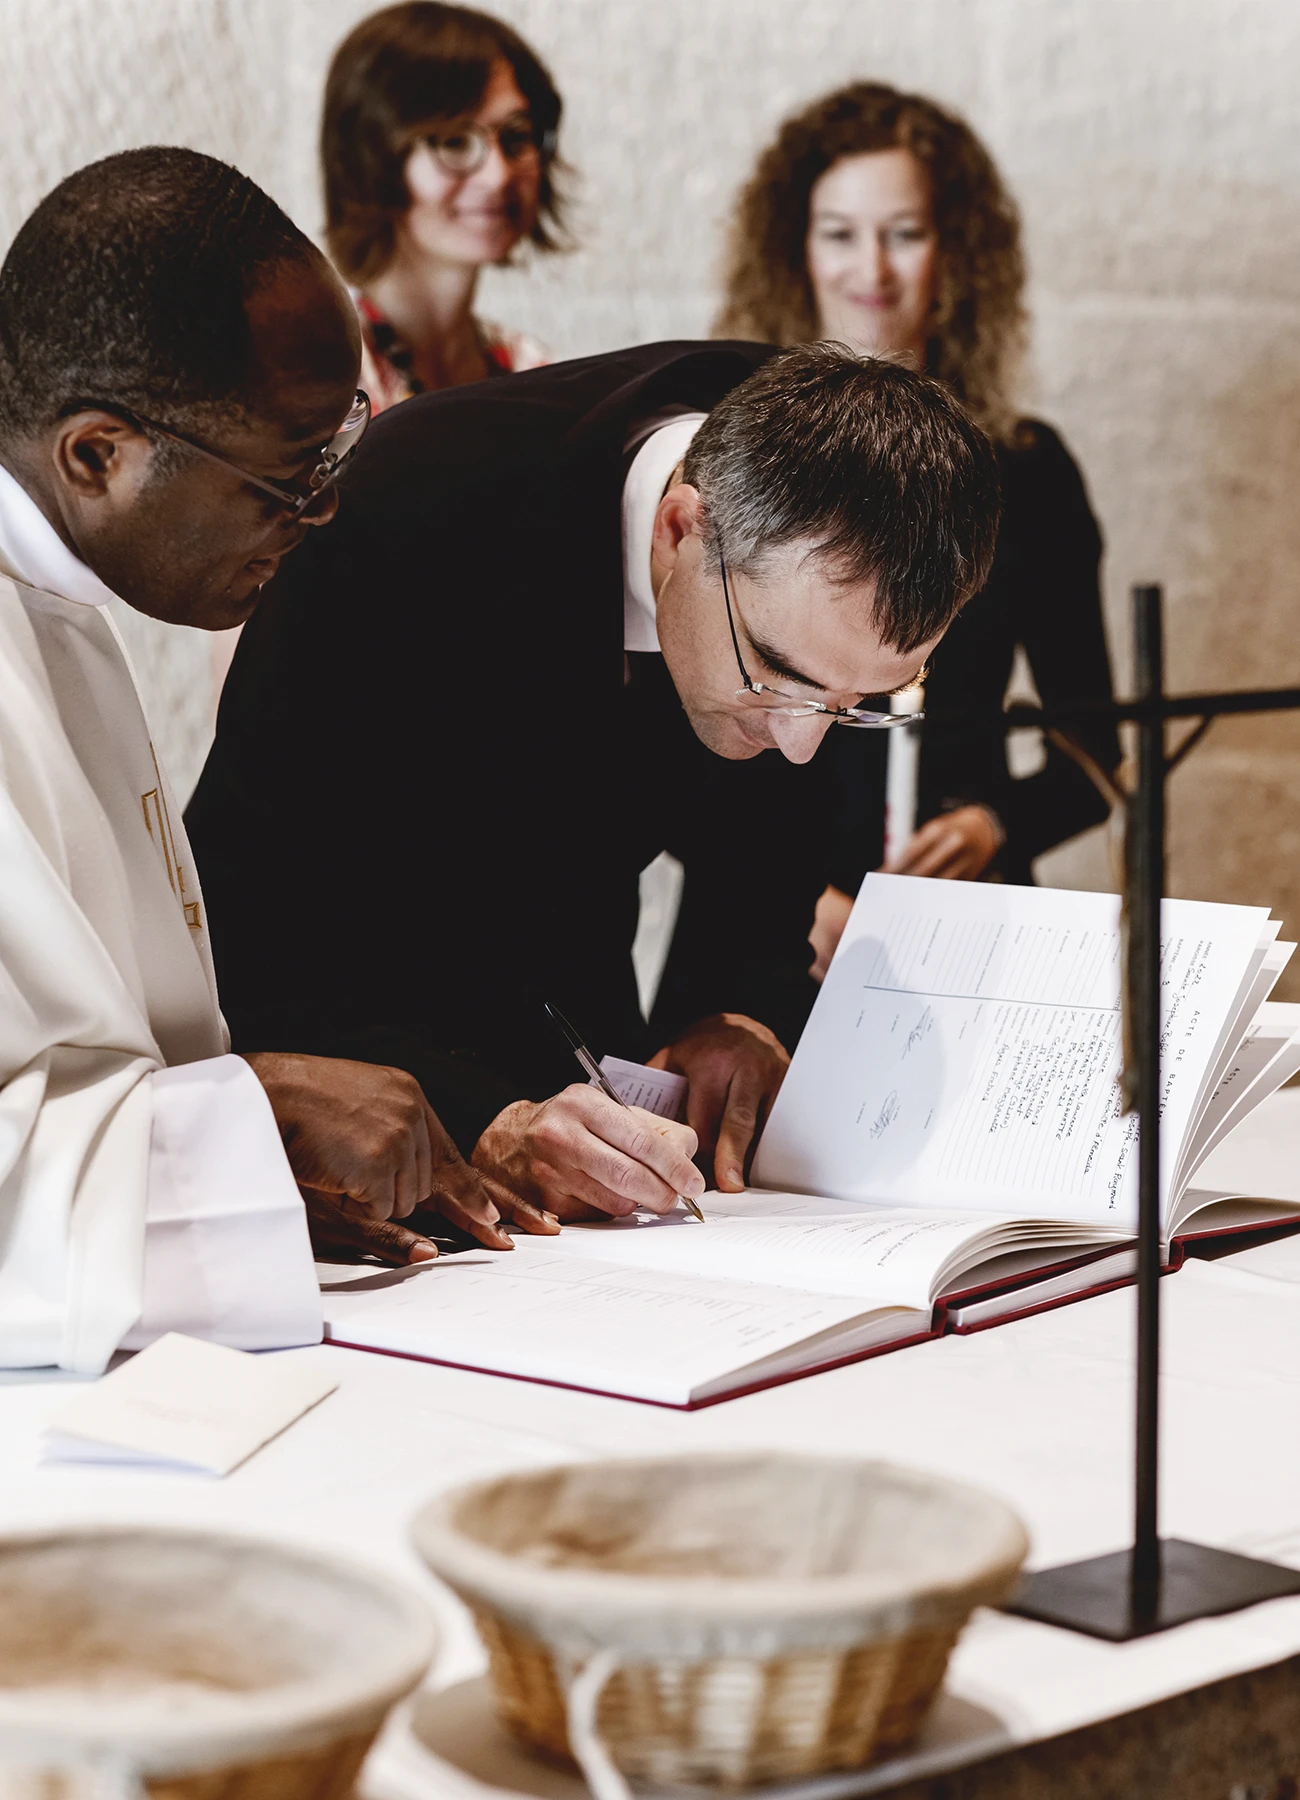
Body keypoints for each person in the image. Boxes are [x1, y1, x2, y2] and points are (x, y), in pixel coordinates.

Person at [187, 340, 1001, 1223]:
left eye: (857, 703)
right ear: (679, 529)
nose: (803, 745)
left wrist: (736, 1008)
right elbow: (242, 918)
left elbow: (768, 843)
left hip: (592, 1082)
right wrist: (480, 1114)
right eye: (775, 673)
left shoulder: (834, 503)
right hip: (364, 1091)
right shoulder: (400, 515)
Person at [0, 147, 554, 1374]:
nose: (323, 513)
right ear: (98, 455)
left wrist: (258, 1174)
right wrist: (255, 1118)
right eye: (289, 474)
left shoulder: (55, 600)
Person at [716, 82, 1119, 974]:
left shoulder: (1030, 469)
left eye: (905, 233)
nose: (873, 270)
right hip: (758, 921)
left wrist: (994, 822)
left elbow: (1094, 744)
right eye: (840, 234)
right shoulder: (720, 440)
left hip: (961, 926)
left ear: (956, 255)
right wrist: (791, 898)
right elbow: (658, 742)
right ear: (797, 251)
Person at [322, 0, 565, 407]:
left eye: (516, 136)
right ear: (371, 157)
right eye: (454, 140)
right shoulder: (322, 373)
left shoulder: (535, 373)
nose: (498, 174)